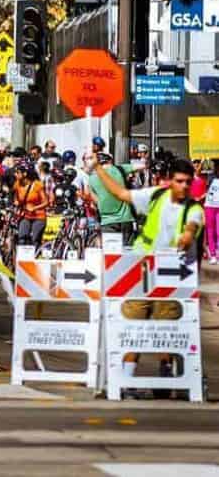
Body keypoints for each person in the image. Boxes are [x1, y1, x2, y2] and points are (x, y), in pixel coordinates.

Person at [91, 156, 204, 392]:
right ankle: (126, 379)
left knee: (168, 331)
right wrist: (98, 168)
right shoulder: (155, 196)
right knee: (134, 328)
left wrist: (186, 237)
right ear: (169, 181)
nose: (184, 186)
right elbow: (121, 193)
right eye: (179, 181)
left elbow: (192, 227)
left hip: (171, 276)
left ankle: (165, 373)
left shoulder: (194, 209)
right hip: (141, 272)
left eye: (188, 182)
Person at [12, 162, 49, 249]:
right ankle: (22, 256)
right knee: (22, 238)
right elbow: (16, 197)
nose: (15, 174)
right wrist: (16, 202)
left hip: (39, 216)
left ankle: (35, 255)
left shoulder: (37, 185)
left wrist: (34, 208)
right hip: (25, 215)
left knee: (34, 240)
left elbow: (46, 202)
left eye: (17, 172)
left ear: (25, 174)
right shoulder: (17, 184)